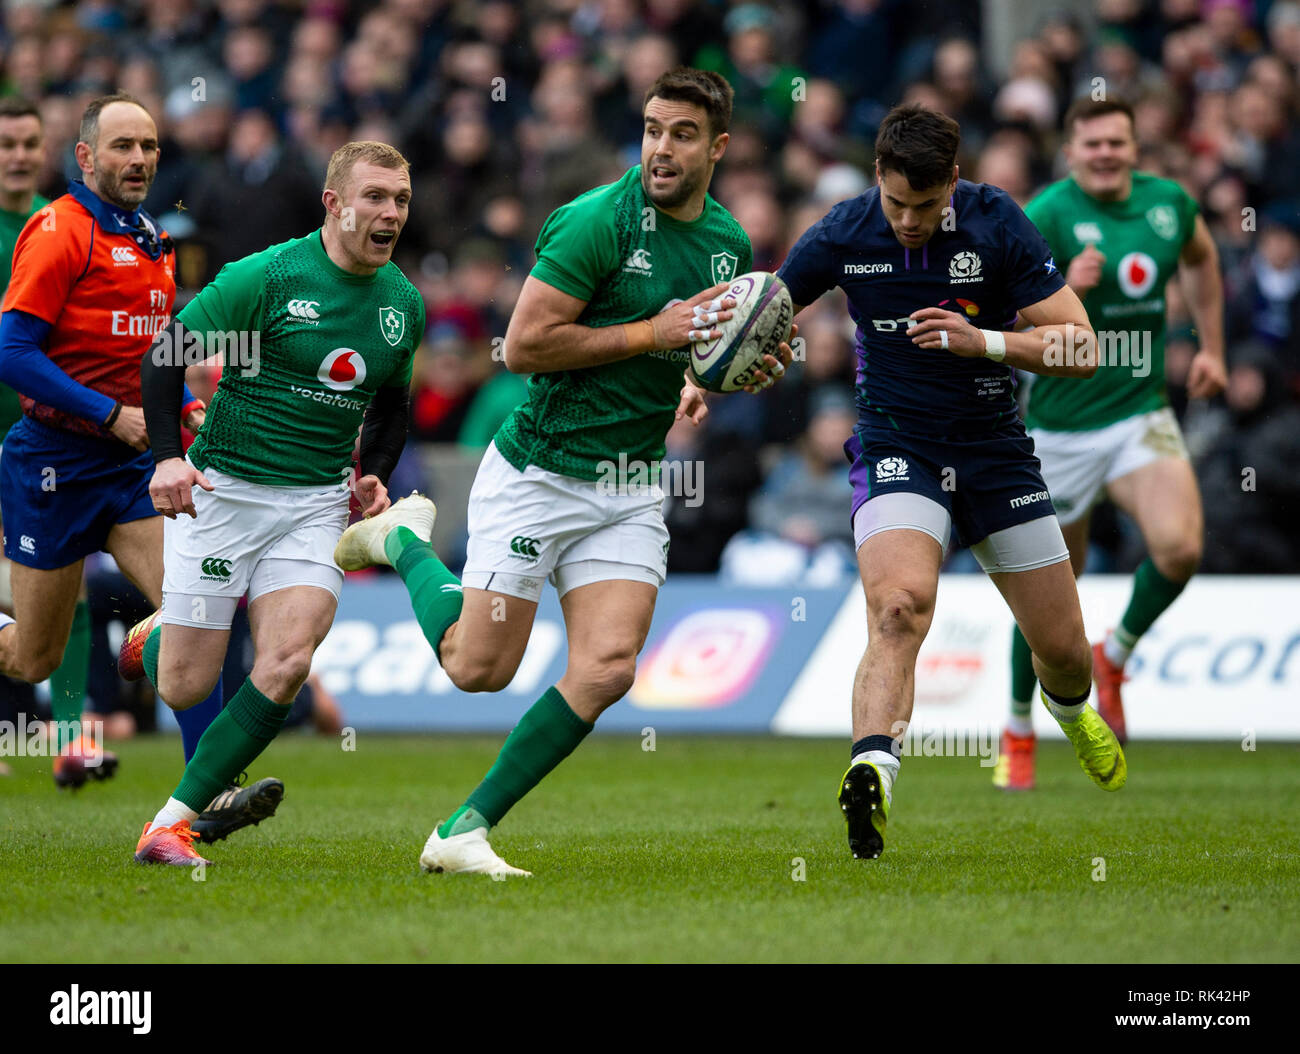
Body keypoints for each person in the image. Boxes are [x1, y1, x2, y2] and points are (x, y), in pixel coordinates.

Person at [333, 67, 791, 877]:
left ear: (718, 147)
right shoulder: (594, 221)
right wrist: (653, 335)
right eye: (652, 128)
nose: (662, 147)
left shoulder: (729, 242)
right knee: (478, 669)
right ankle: (404, 540)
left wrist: (710, 374)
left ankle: (463, 830)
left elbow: (697, 341)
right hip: (540, 471)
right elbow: (525, 345)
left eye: (683, 134)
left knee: (609, 667)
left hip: (630, 482)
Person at [776, 103, 1127, 861]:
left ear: (955, 183)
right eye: (897, 202)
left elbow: (1082, 348)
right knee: (898, 608)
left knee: (1063, 652)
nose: (908, 220)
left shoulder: (998, 222)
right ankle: (873, 768)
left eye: (926, 206)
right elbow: (771, 310)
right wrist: (710, 378)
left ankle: (1069, 711)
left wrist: (987, 341)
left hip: (995, 453)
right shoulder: (844, 230)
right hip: (897, 444)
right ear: (878, 177)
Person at [124, 140, 424, 866]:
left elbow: (393, 401)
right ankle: (158, 636)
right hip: (222, 493)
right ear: (334, 203)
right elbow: (164, 355)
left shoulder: (402, 305)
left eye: (402, 201)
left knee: (287, 662)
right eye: (375, 197)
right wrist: (168, 458)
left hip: (315, 505)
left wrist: (375, 472)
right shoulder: (266, 275)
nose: (390, 213)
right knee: (184, 683)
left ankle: (171, 826)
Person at [992, 97, 1225, 790]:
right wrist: (1064, 290)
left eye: (1116, 142)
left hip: (1137, 413)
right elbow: (994, 317)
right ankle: (1017, 726)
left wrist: (1212, 347)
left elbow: (1203, 261)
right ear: (1070, 151)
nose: (1105, 154)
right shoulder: (1044, 215)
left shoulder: (1169, 204)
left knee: (1181, 547)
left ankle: (1115, 656)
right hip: (1058, 429)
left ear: (1133, 146)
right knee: (1050, 591)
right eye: (1091, 144)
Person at [0, 93, 228, 790]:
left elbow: (149, 350)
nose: (138, 160)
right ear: (86, 157)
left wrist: (184, 404)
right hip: (53, 460)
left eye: (149, 147)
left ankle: (205, 791)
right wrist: (106, 413)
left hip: (130, 462)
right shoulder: (59, 229)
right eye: (123, 147)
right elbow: (12, 350)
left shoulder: (152, 236)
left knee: (192, 609)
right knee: (33, 657)